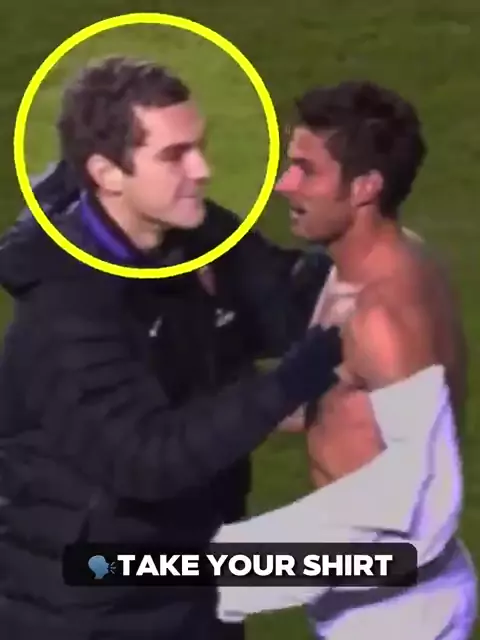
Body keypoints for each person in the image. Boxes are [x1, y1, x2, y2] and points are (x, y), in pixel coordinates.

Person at [0, 56, 342, 640]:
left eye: (199, 147)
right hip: (92, 612)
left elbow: (284, 302)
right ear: (107, 173)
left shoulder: (194, 233)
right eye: (174, 155)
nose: (202, 170)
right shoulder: (65, 308)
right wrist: (288, 384)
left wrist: (368, 251)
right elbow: (147, 460)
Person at [214, 80, 477, 639]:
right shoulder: (375, 261)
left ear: (365, 187)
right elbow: (338, 406)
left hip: (398, 610)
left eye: (306, 171)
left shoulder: (381, 318)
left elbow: (425, 502)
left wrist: (228, 570)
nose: (283, 185)